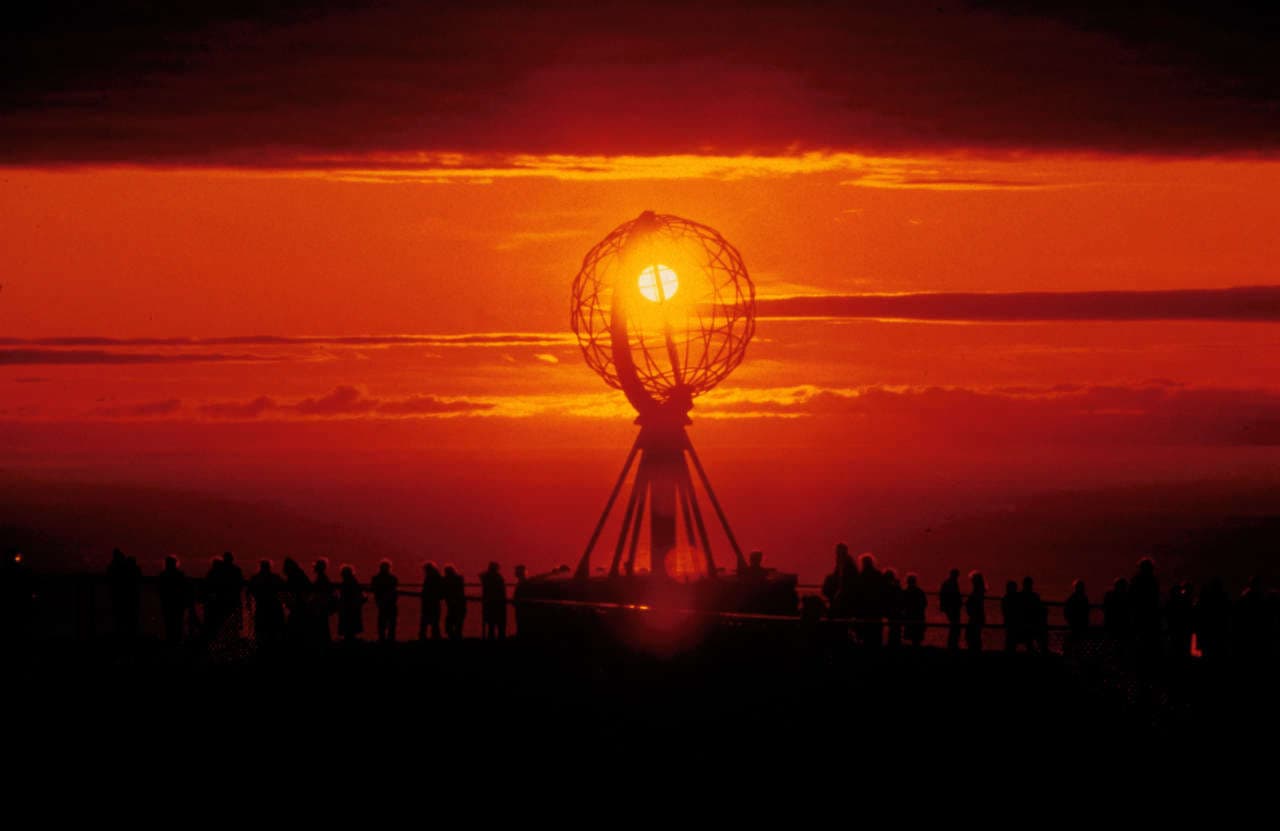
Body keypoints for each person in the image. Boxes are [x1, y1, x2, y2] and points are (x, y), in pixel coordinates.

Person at [246, 559, 286, 648]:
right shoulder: (275, 578)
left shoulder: (255, 578)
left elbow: (248, 591)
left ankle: (262, 647)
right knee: (274, 629)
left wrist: (248, 604)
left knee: (261, 629)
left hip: (261, 606)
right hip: (274, 606)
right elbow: (284, 587)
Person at [106, 548, 142, 640]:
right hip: (130, 598)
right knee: (131, 618)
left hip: (119, 597)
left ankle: (121, 635)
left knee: (119, 618)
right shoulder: (130, 570)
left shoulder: (114, 568)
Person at [156, 555, 193, 645]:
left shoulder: (163, 575)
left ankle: (171, 641)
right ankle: (177, 641)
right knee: (177, 622)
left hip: (168, 603)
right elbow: (186, 588)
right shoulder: (179, 575)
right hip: (177, 603)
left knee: (169, 622)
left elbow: (161, 590)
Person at [1193, 578, 1231, 660]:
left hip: (1209, 634)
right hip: (1219, 634)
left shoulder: (1206, 600)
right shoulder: (1224, 600)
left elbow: (1198, 616)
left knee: (1208, 654)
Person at [282, 557, 313, 645]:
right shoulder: (299, 573)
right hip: (301, 605)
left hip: (298, 605)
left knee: (294, 624)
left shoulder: (293, 575)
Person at [370, 560, 399, 643]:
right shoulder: (393, 578)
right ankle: (390, 638)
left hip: (382, 603)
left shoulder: (376, 578)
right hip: (390, 603)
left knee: (382, 621)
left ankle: (382, 638)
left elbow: (373, 589)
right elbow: (395, 589)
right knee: (391, 622)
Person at [1166, 580, 1194, 659]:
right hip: (1182, 630)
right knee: (1182, 646)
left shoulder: (1172, 603)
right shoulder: (1186, 603)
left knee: (1176, 646)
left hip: (1175, 629)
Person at [337, 565, 365, 642]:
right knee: (352, 625)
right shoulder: (354, 582)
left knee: (347, 624)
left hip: (347, 607)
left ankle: (348, 639)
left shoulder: (345, 583)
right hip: (353, 607)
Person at [480, 561, 507, 640]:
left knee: (491, 626)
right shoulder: (499, 578)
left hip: (490, 605)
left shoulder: (487, 578)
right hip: (498, 605)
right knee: (500, 626)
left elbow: (481, 576)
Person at [312, 558, 336, 642]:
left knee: (321, 624)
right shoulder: (324, 578)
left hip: (321, 605)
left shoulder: (321, 578)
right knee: (323, 624)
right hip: (323, 604)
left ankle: (323, 641)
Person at [419, 562, 445, 640]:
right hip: (434, 602)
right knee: (434, 620)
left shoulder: (430, 578)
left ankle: (424, 636)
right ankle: (435, 635)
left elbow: (426, 590)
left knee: (426, 620)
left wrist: (425, 596)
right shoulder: (438, 577)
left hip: (429, 602)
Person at [1021, 576, 1047, 653]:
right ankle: (1042, 650)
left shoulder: (1020, 596)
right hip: (1030, 624)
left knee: (1035, 632)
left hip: (1025, 623)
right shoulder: (1034, 596)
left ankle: (1036, 649)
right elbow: (1040, 609)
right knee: (1039, 633)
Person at [940, 568, 963, 650]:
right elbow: (955, 596)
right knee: (955, 627)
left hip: (950, 608)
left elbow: (942, 596)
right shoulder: (952, 583)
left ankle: (952, 644)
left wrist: (943, 607)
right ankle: (953, 644)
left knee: (954, 626)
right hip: (953, 608)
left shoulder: (947, 583)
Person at [902, 573, 927, 647]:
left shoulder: (905, 592)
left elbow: (902, 604)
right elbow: (924, 603)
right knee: (917, 637)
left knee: (911, 634)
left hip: (909, 615)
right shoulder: (920, 591)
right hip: (918, 616)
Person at [443, 565, 467, 639]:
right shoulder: (459, 579)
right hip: (460, 604)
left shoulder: (447, 580)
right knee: (457, 623)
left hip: (454, 604)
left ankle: (453, 636)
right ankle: (456, 636)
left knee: (451, 622)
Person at [965, 571, 986, 652]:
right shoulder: (980, 591)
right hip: (977, 616)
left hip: (975, 616)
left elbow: (975, 603)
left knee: (972, 635)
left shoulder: (977, 592)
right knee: (975, 635)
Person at [883, 568, 903, 647]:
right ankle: (895, 644)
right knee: (896, 629)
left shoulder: (884, 587)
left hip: (890, 610)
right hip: (896, 610)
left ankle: (892, 643)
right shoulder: (894, 587)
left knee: (892, 628)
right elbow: (899, 598)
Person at [1001, 580, 1021, 652]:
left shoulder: (1005, 598)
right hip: (1016, 623)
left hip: (1009, 622)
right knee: (1012, 641)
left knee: (1010, 641)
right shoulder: (1018, 598)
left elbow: (1004, 611)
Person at [512, 564, 529, 637]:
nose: (515, 572)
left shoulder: (522, 582)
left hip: (521, 606)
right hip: (521, 606)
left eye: (516, 570)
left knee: (520, 621)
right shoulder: (523, 581)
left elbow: (519, 593)